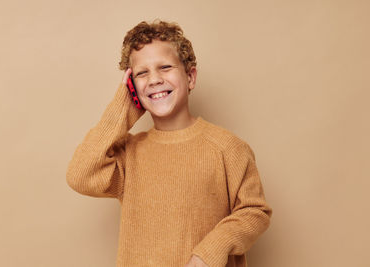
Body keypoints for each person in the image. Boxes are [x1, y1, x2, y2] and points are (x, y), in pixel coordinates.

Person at [66, 19, 272, 267]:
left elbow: (255, 212)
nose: (154, 79)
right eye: (142, 73)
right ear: (132, 87)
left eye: (165, 67)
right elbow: (80, 174)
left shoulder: (228, 147)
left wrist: (211, 250)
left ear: (190, 77)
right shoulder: (129, 155)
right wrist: (123, 107)